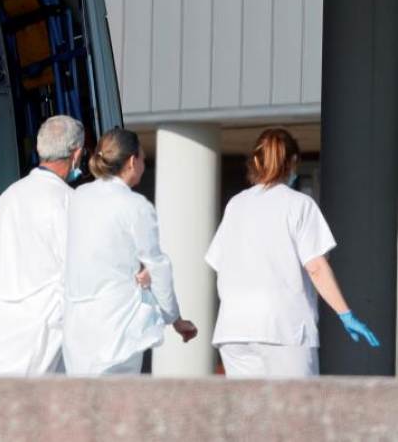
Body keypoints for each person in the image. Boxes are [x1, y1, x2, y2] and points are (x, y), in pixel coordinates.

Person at [206, 127, 378, 378]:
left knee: (249, 415)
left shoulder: (236, 204)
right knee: (299, 412)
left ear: (256, 161)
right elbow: (316, 266)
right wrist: (346, 314)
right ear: (293, 163)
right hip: (284, 329)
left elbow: (219, 261)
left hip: (233, 332)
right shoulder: (299, 204)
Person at [0, 115, 85, 376]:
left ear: (39, 149)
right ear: (77, 153)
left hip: (1, 321)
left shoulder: (10, 195)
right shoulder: (70, 202)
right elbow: (77, 271)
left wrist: (0, 298)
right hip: (46, 326)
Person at [64, 128, 197, 375]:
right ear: (132, 161)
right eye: (144, 160)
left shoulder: (79, 197)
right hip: (118, 329)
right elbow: (158, 266)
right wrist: (175, 319)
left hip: (78, 331)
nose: (144, 165)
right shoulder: (135, 206)